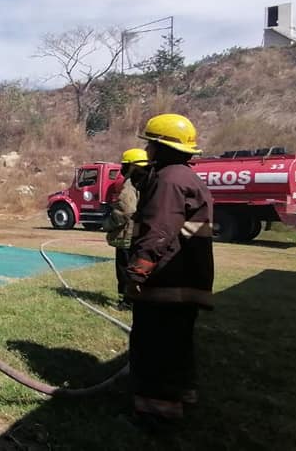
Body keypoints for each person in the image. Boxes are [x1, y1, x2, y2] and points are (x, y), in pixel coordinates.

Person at [125, 113, 214, 425]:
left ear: (162, 147)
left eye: (151, 144)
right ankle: (181, 392)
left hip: (166, 281)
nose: (147, 150)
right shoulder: (187, 178)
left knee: (154, 345)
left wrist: (137, 272)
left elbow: (159, 230)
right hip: (186, 279)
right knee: (177, 342)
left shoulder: (169, 180)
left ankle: (156, 413)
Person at [102, 148, 150, 310]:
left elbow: (126, 210)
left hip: (127, 236)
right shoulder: (149, 182)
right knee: (138, 268)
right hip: (141, 234)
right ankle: (136, 300)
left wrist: (108, 223)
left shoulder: (129, 184)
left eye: (124, 165)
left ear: (131, 166)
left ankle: (126, 302)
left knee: (124, 270)